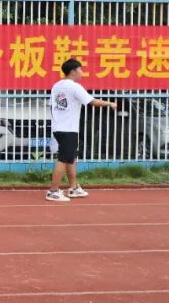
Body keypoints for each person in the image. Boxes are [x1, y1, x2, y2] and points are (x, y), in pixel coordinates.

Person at [46, 59, 117, 202]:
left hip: (59, 127)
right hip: (68, 129)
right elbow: (92, 102)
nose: (82, 72)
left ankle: (73, 188)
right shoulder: (74, 87)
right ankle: (53, 191)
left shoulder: (56, 86)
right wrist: (109, 103)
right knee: (63, 159)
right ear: (73, 71)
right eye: (80, 69)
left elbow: (52, 106)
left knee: (71, 158)